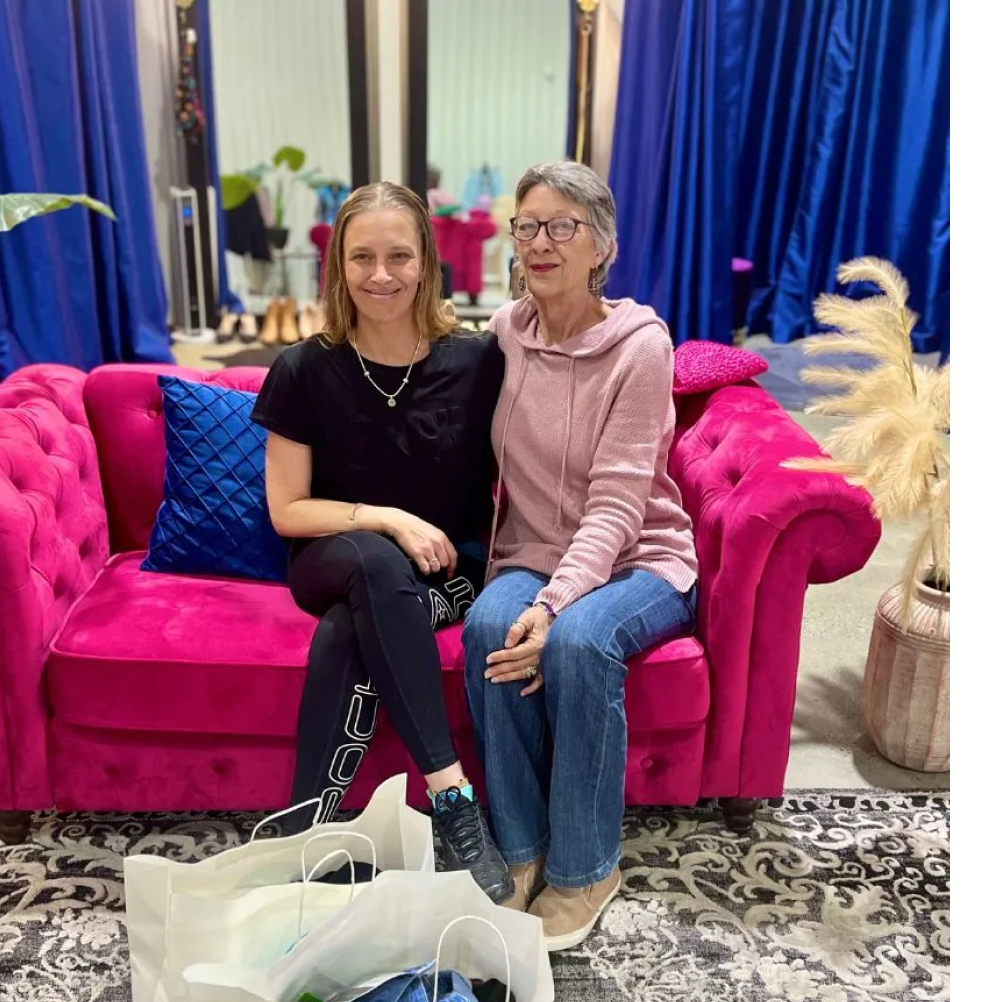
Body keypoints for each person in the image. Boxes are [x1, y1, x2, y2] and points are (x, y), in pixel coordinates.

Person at [250, 181, 513, 904]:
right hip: (333, 557)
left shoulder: (479, 361)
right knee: (372, 561)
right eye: (361, 256)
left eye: (399, 255)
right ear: (338, 267)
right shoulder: (304, 368)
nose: (381, 274)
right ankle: (453, 798)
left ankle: (306, 828)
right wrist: (388, 518)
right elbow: (288, 511)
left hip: (448, 571)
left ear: (427, 261)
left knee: (349, 630)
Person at [462, 161, 700, 947]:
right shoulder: (506, 330)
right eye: (527, 225)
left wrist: (553, 603)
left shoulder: (640, 347)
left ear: (600, 246)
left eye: (562, 226)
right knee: (485, 630)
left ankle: (588, 866)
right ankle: (521, 850)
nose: (540, 241)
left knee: (576, 641)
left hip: (640, 560)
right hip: (532, 552)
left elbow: (618, 506)